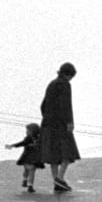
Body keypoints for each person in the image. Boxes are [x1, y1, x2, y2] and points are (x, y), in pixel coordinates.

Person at [39, 62, 80, 192]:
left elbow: (43, 105)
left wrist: (47, 118)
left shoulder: (51, 84)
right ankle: (60, 178)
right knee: (68, 152)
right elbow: (66, 105)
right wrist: (69, 122)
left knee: (53, 154)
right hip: (61, 125)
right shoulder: (65, 84)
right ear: (69, 74)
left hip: (48, 124)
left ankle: (56, 179)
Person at [5, 122, 44, 192]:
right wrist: (13, 145)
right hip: (32, 157)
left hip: (30, 157)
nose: (26, 132)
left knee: (29, 170)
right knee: (29, 170)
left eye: (28, 130)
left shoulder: (34, 138)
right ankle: (27, 182)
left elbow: (22, 143)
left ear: (32, 131)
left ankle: (28, 183)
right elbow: (22, 143)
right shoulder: (34, 138)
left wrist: (13, 145)